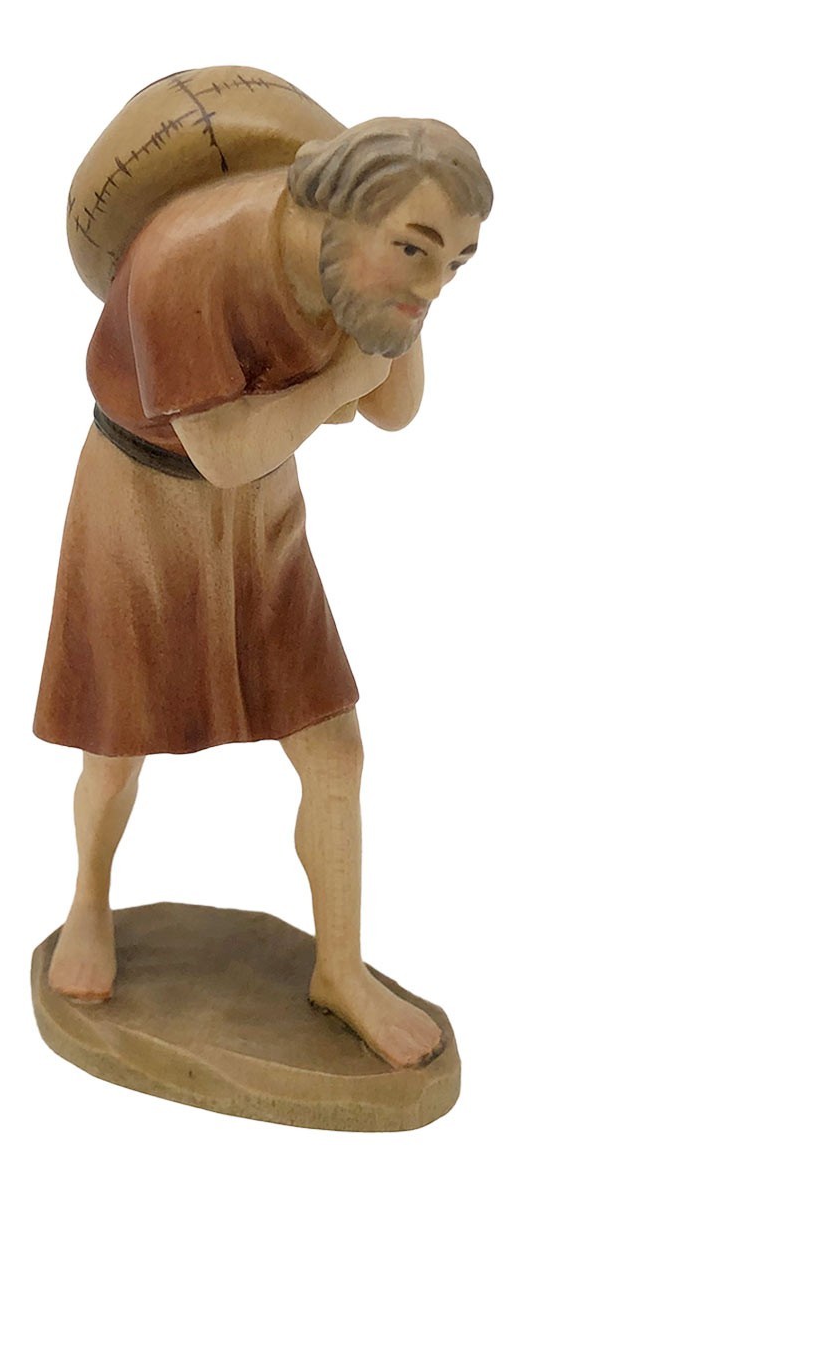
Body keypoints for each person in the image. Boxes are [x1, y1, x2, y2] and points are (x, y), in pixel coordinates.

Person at [34, 117, 492, 1068]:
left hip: (262, 506)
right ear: (338, 209)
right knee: (115, 745)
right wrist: (345, 375)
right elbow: (224, 450)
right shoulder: (188, 260)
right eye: (415, 250)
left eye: (456, 263)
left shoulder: (360, 272)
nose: (433, 285)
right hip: (139, 497)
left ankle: (341, 970)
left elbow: (394, 411)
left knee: (334, 748)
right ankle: (88, 900)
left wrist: (393, 323)